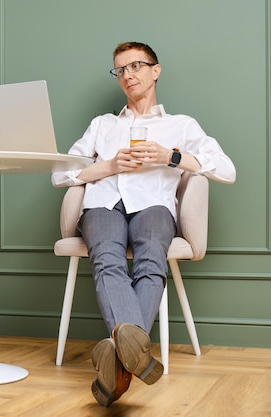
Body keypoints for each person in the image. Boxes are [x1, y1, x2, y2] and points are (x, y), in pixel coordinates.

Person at [51, 41, 236, 407]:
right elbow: (60, 174)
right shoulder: (103, 125)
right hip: (103, 204)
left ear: (155, 70)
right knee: (107, 258)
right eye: (121, 69)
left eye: (136, 65)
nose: (128, 74)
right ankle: (136, 356)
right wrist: (110, 165)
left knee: (152, 261)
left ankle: (119, 367)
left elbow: (227, 170)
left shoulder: (180, 125)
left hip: (154, 206)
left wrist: (172, 157)